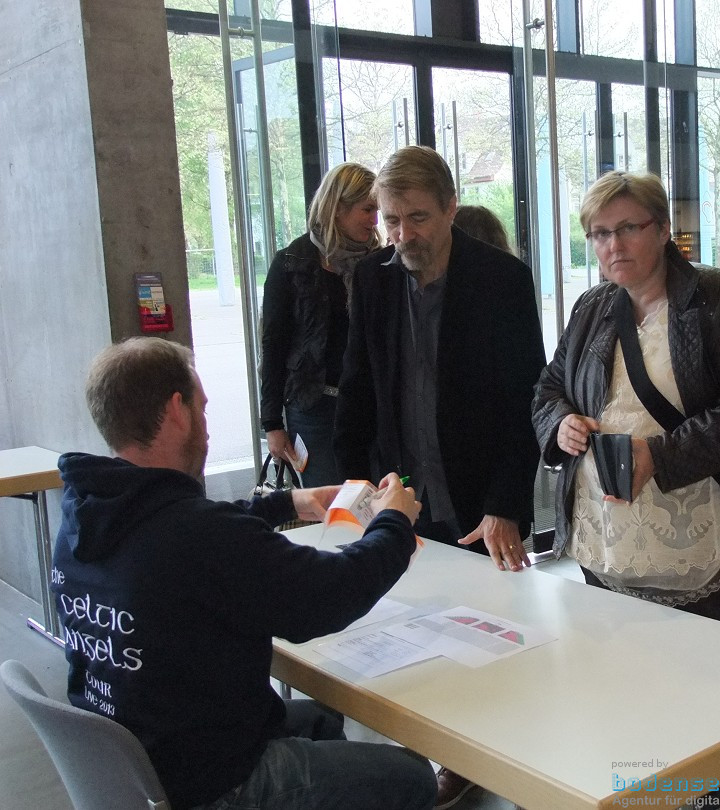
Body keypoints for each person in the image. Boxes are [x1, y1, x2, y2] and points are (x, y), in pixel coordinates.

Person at [52, 337, 435, 810]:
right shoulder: (194, 534)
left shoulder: (85, 513)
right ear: (177, 411)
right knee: (413, 779)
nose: (208, 430)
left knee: (321, 721)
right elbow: (328, 596)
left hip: (141, 764)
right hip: (213, 782)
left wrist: (288, 501)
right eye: (203, 408)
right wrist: (393, 522)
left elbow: (184, 528)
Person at [532, 170, 720, 808]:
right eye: (598, 233)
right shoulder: (592, 307)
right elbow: (548, 387)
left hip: (694, 533)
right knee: (626, 695)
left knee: (703, 699)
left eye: (627, 228)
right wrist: (560, 422)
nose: (612, 244)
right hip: (607, 539)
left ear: (664, 229)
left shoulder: (719, 298)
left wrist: (661, 457)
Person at [332, 146, 546, 809]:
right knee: (416, 632)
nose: (403, 236)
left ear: (452, 207)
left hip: (481, 500)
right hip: (406, 496)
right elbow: (358, 389)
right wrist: (355, 490)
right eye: (392, 221)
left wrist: (507, 503)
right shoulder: (372, 280)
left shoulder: (500, 280)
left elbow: (526, 404)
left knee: (486, 635)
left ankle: (479, 756)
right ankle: (430, 749)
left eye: (418, 218)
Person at [260, 162, 381, 487]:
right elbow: (273, 346)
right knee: (331, 509)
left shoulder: (380, 263)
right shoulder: (291, 264)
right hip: (313, 408)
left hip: (369, 407)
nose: (375, 221)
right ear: (338, 208)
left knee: (375, 505)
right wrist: (272, 423)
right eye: (367, 209)